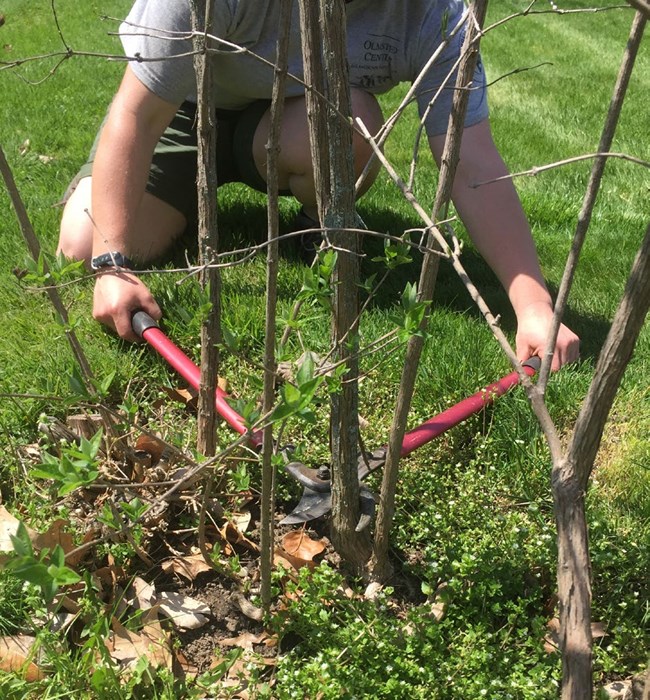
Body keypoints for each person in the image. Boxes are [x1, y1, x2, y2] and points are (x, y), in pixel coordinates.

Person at [57, 0, 579, 368]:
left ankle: (313, 223)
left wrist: (533, 306)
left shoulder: (437, 13)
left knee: (350, 122)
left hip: (292, 121)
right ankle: (184, 198)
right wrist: (112, 262)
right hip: (183, 111)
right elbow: (138, 117)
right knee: (82, 247)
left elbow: (472, 162)